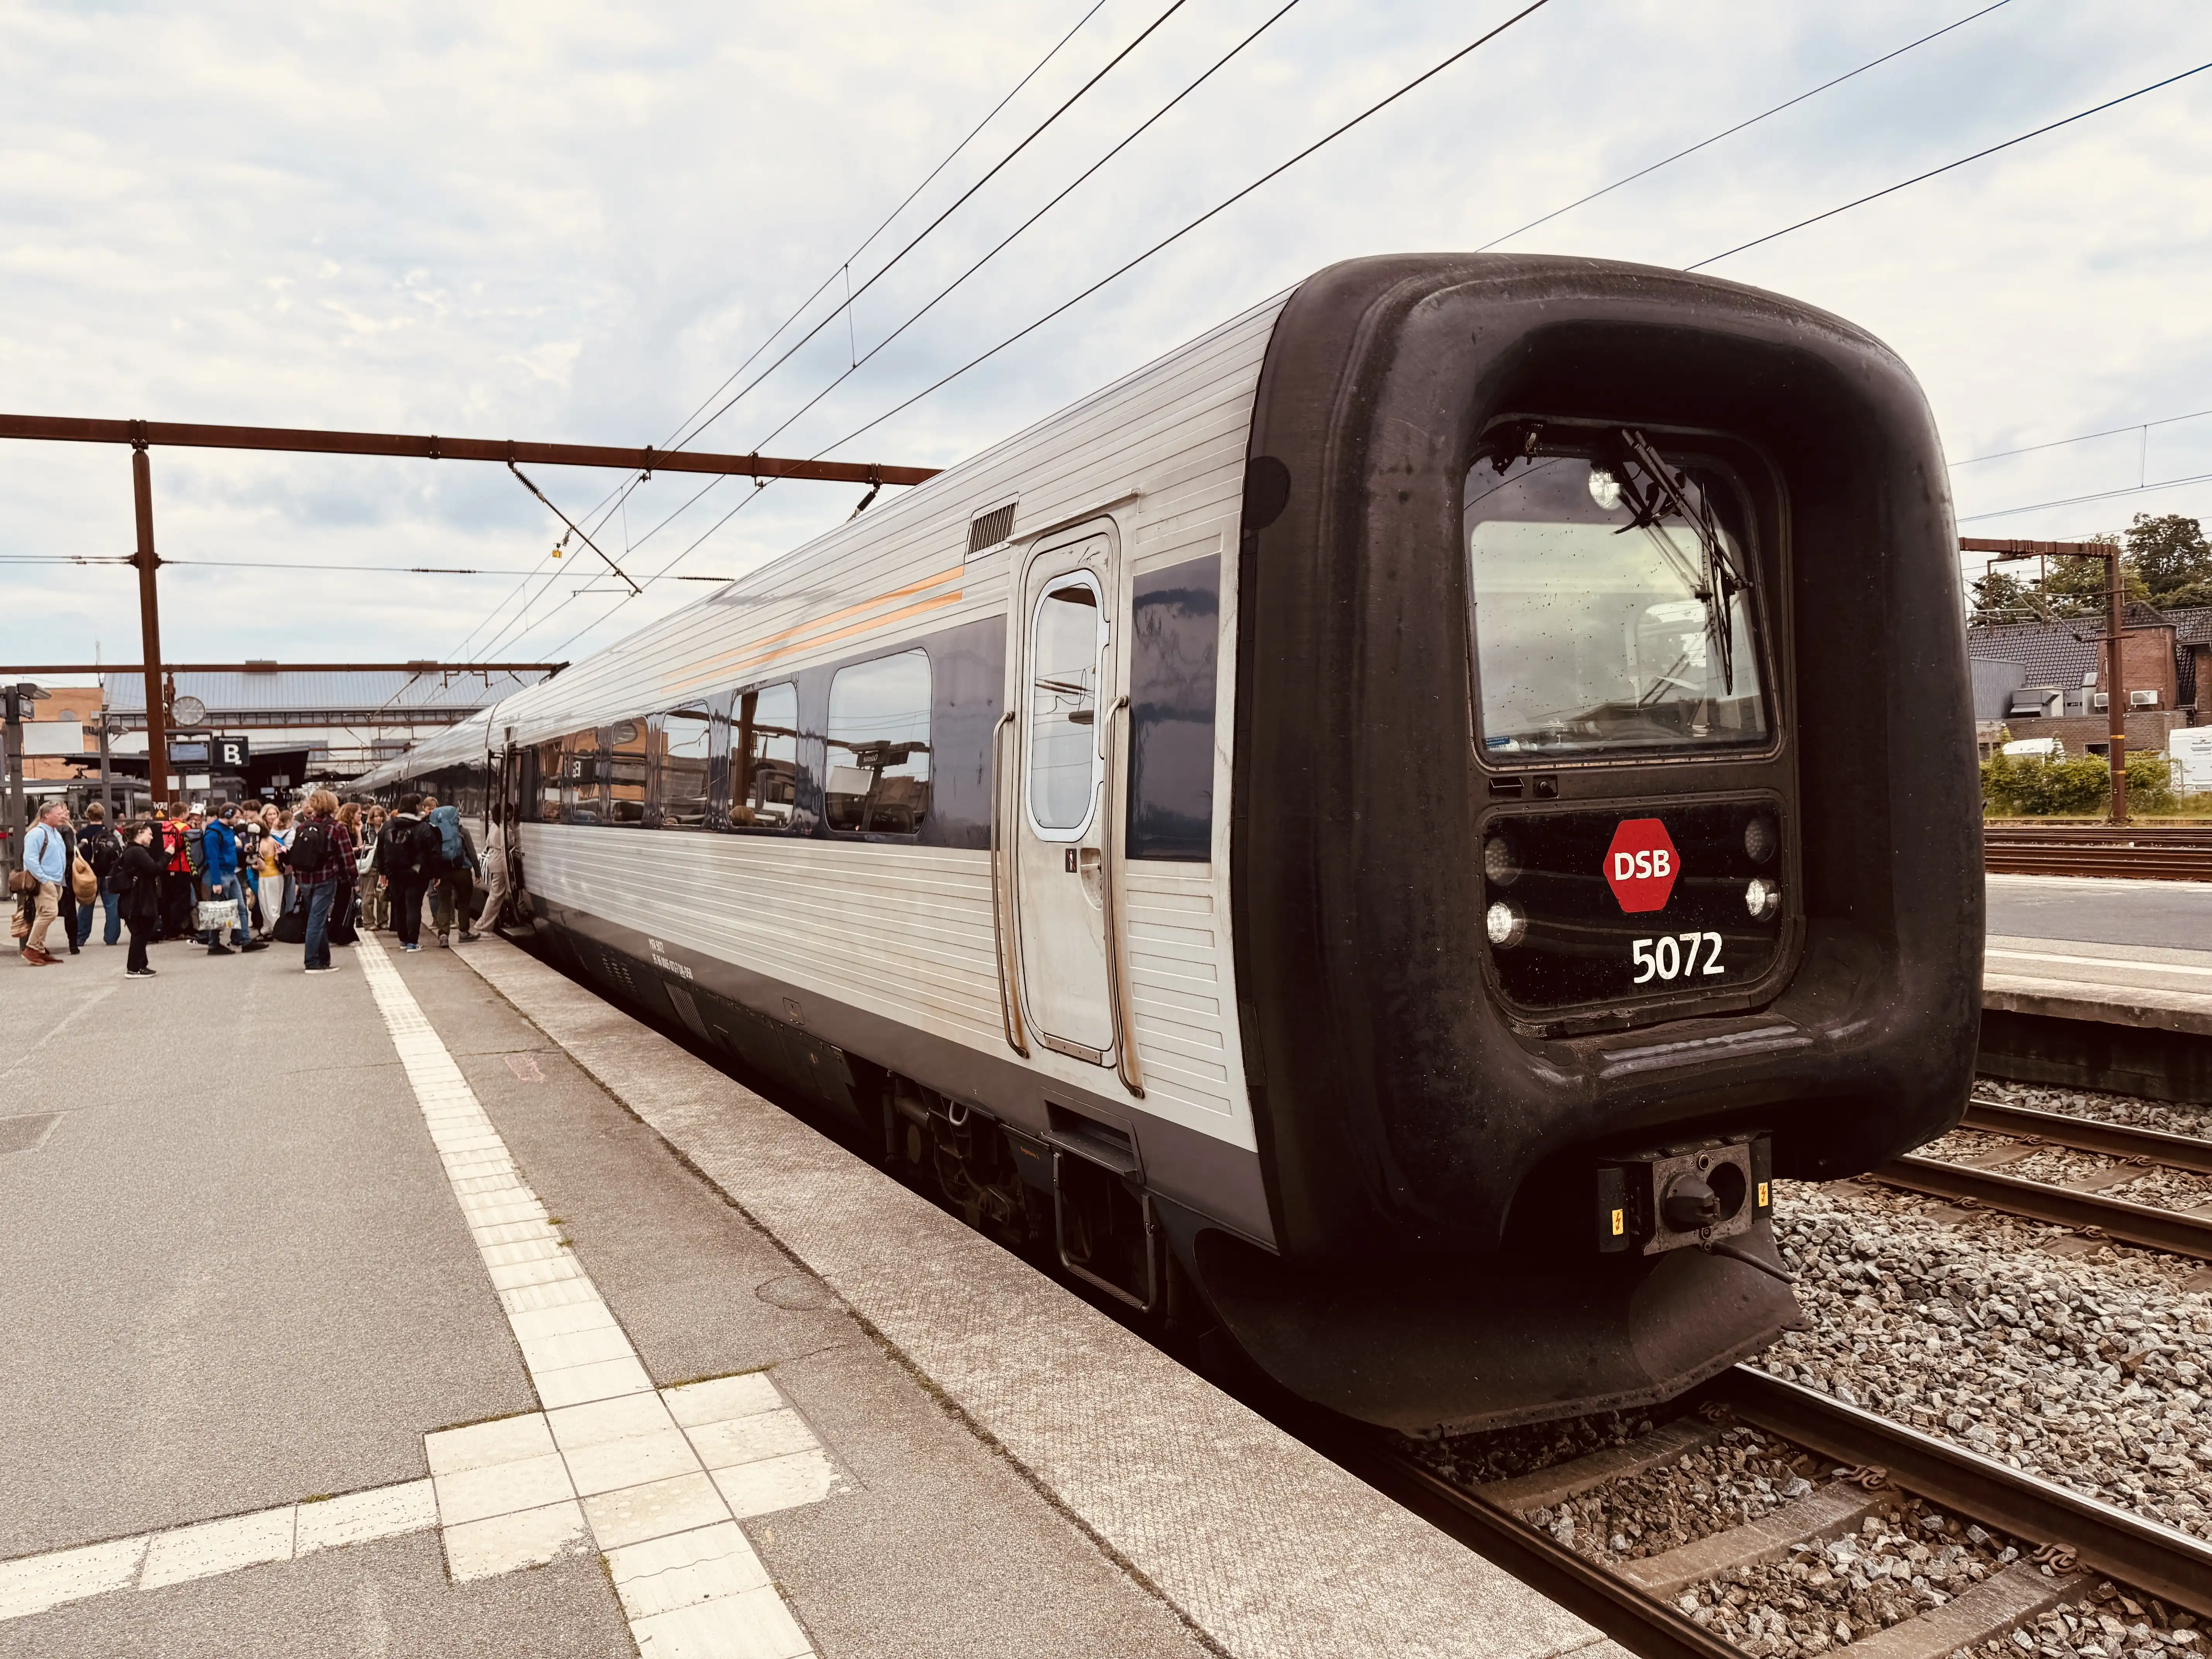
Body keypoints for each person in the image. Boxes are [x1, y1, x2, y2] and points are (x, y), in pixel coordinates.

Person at [285, 788, 356, 973]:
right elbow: (347, 856)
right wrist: (354, 879)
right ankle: (312, 962)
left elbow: (297, 855)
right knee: (316, 921)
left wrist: (298, 880)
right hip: (326, 879)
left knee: (319, 918)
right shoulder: (337, 828)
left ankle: (324, 960)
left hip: (305, 880)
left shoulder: (303, 827)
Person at [199, 805, 265, 955]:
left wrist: (243, 851)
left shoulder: (226, 831)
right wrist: (216, 882)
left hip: (230, 872)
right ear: (228, 815)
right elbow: (212, 858)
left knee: (240, 908)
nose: (239, 820)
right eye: (237, 817)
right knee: (217, 910)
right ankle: (214, 945)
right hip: (221, 874)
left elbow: (228, 851)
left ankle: (244, 940)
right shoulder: (213, 833)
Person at [373, 793, 434, 952]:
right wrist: (434, 873)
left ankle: (404, 941)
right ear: (416, 807)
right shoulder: (423, 827)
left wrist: (383, 872)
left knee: (399, 906)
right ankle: (413, 943)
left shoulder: (388, 825)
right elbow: (432, 852)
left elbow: (380, 850)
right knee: (414, 907)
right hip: (416, 874)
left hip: (394, 873)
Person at [17, 799, 71, 966]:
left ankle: (39, 949)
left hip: (56, 881)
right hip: (45, 881)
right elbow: (30, 859)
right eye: (58, 814)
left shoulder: (55, 833)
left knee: (44, 914)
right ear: (47, 815)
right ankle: (32, 948)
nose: (62, 816)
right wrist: (44, 879)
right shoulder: (37, 834)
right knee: (50, 913)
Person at [423, 797, 483, 946]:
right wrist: (478, 872)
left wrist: (434, 874)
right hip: (463, 871)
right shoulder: (463, 832)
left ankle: (444, 935)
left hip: (443, 873)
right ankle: (464, 932)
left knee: (444, 903)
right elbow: (472, 853)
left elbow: (431, 855)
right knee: (464, 902)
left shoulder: (434, 833)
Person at [113, 819, 166, 977]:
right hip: (138, 900)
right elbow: (154, 869)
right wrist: (168, 855)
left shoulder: (132, 850)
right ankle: (134, 968)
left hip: (134, 899)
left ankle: (141, 965)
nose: (152, 838)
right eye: (149, 834)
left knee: (141, 933)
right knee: (140, 933)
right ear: (140, 834)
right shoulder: (137, 852)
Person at [78, 801, 123, 947]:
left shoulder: (82, 834)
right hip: (110, 874)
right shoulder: (111, 832)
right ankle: (111, 938)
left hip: (89, 875)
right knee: (112, 907)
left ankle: (81, 937)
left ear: (88, 816)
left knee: (86, 906)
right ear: (103, 815)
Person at [331, 802, 364, 947]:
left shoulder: (347, 828)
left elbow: (358, 846)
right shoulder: (343, 829)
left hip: (339, 872)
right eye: (359, 813)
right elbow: (348, 853)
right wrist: (354, 880)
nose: (361, 816)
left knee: (341, 904)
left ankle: (334, 934)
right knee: (345, 905)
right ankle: (343, 936)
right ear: (351, 814)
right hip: (344, 873)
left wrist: (359, 832)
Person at [479, 803, 514, 935]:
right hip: (500, 861)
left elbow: (488, 842)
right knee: (496, 895)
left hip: (493, 859)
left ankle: (485, 923)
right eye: (510, 813)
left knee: (495, 894)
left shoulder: (494, 826)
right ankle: (484, 925)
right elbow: (512, 842)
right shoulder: (505, 828)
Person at [358, 805, 388, 930]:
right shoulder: (365, 829)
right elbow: (360, 846)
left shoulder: (387, 829)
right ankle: (369, 922)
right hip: (369, 865)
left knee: (383, 895)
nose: (379, 819)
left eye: (381, 816)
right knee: (368, 895)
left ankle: (383, 920)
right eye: (376, 816)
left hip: (383, 865)